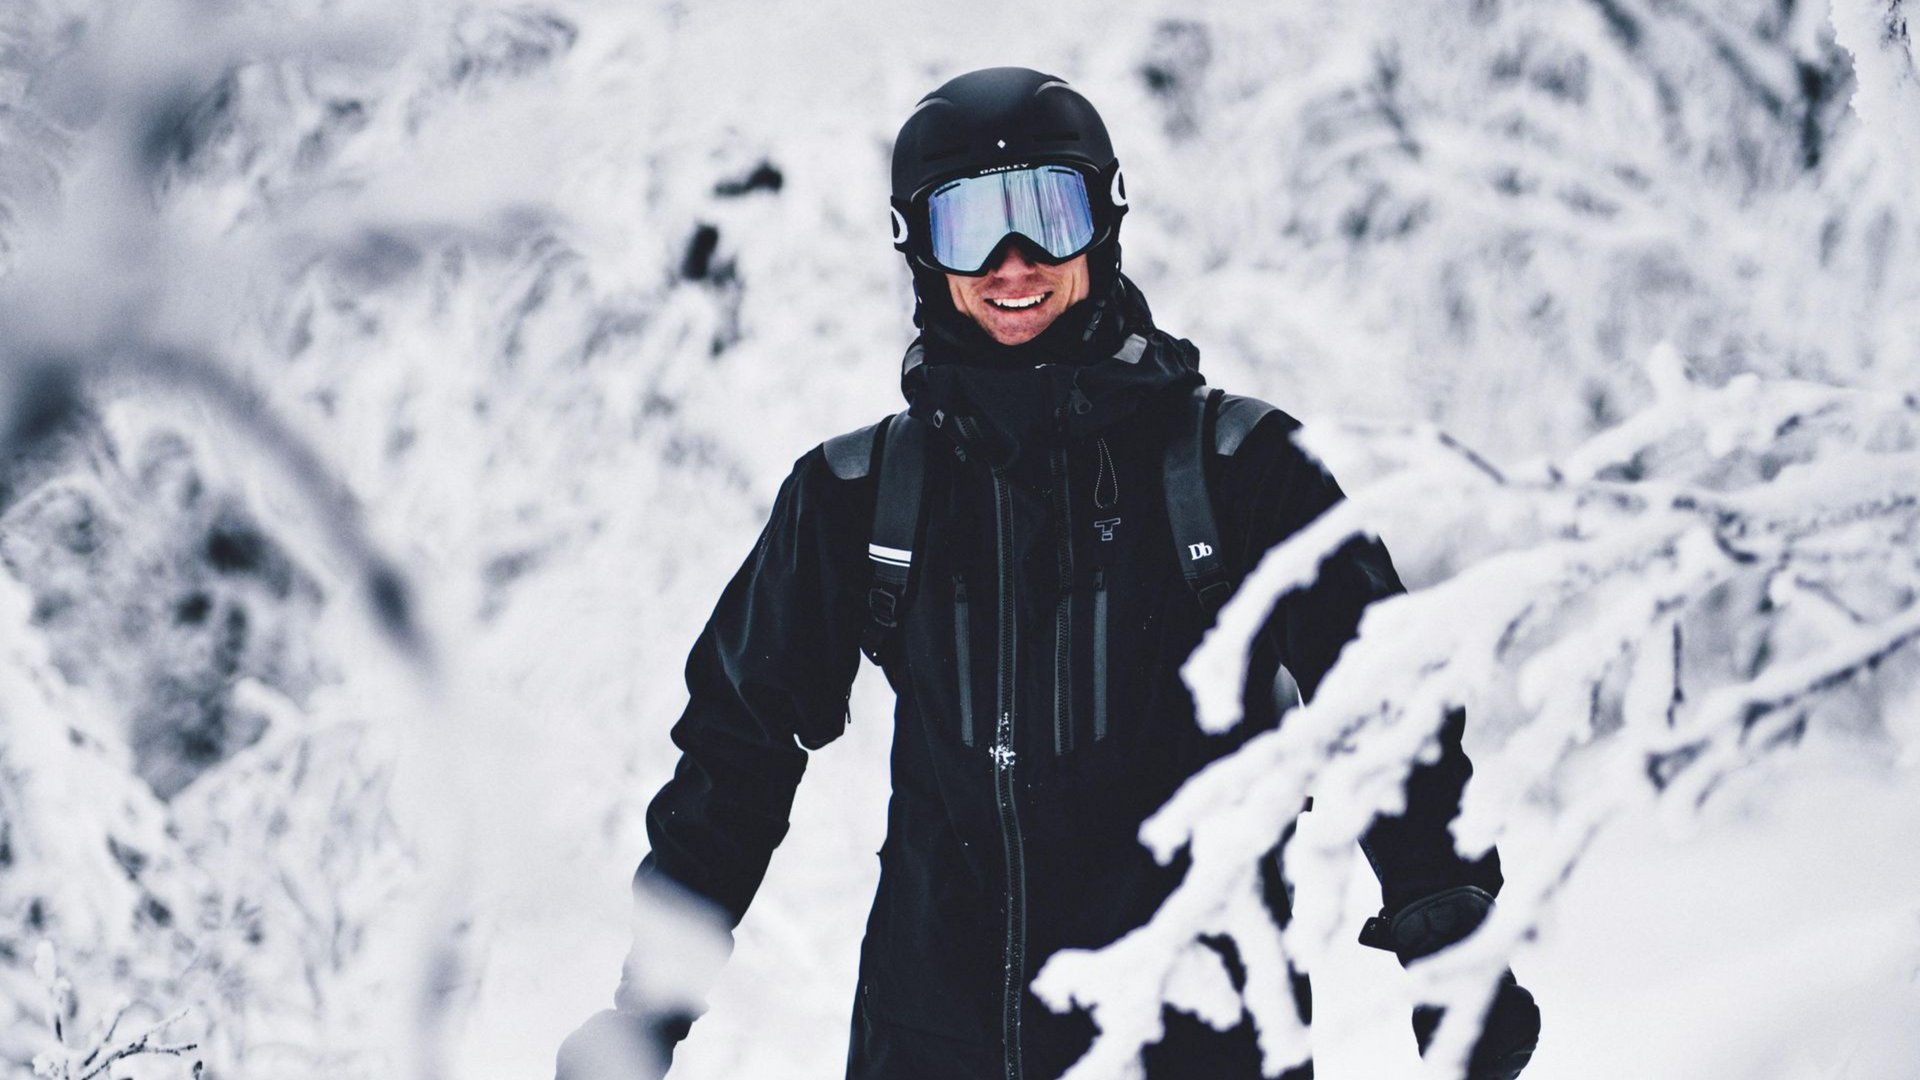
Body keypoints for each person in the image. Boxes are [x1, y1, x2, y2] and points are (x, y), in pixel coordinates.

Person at [558, 67, 1540, 1080]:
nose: (1011, 260)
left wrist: (1449, 936)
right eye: (968, 224)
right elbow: (736, 754)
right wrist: (648, 1009)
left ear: (1104, 221)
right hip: (930, 1047)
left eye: (1047, 211)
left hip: (1197, 1044)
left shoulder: (1239, 470)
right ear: (916, 248)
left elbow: (1387, 709)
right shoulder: (859, 495)